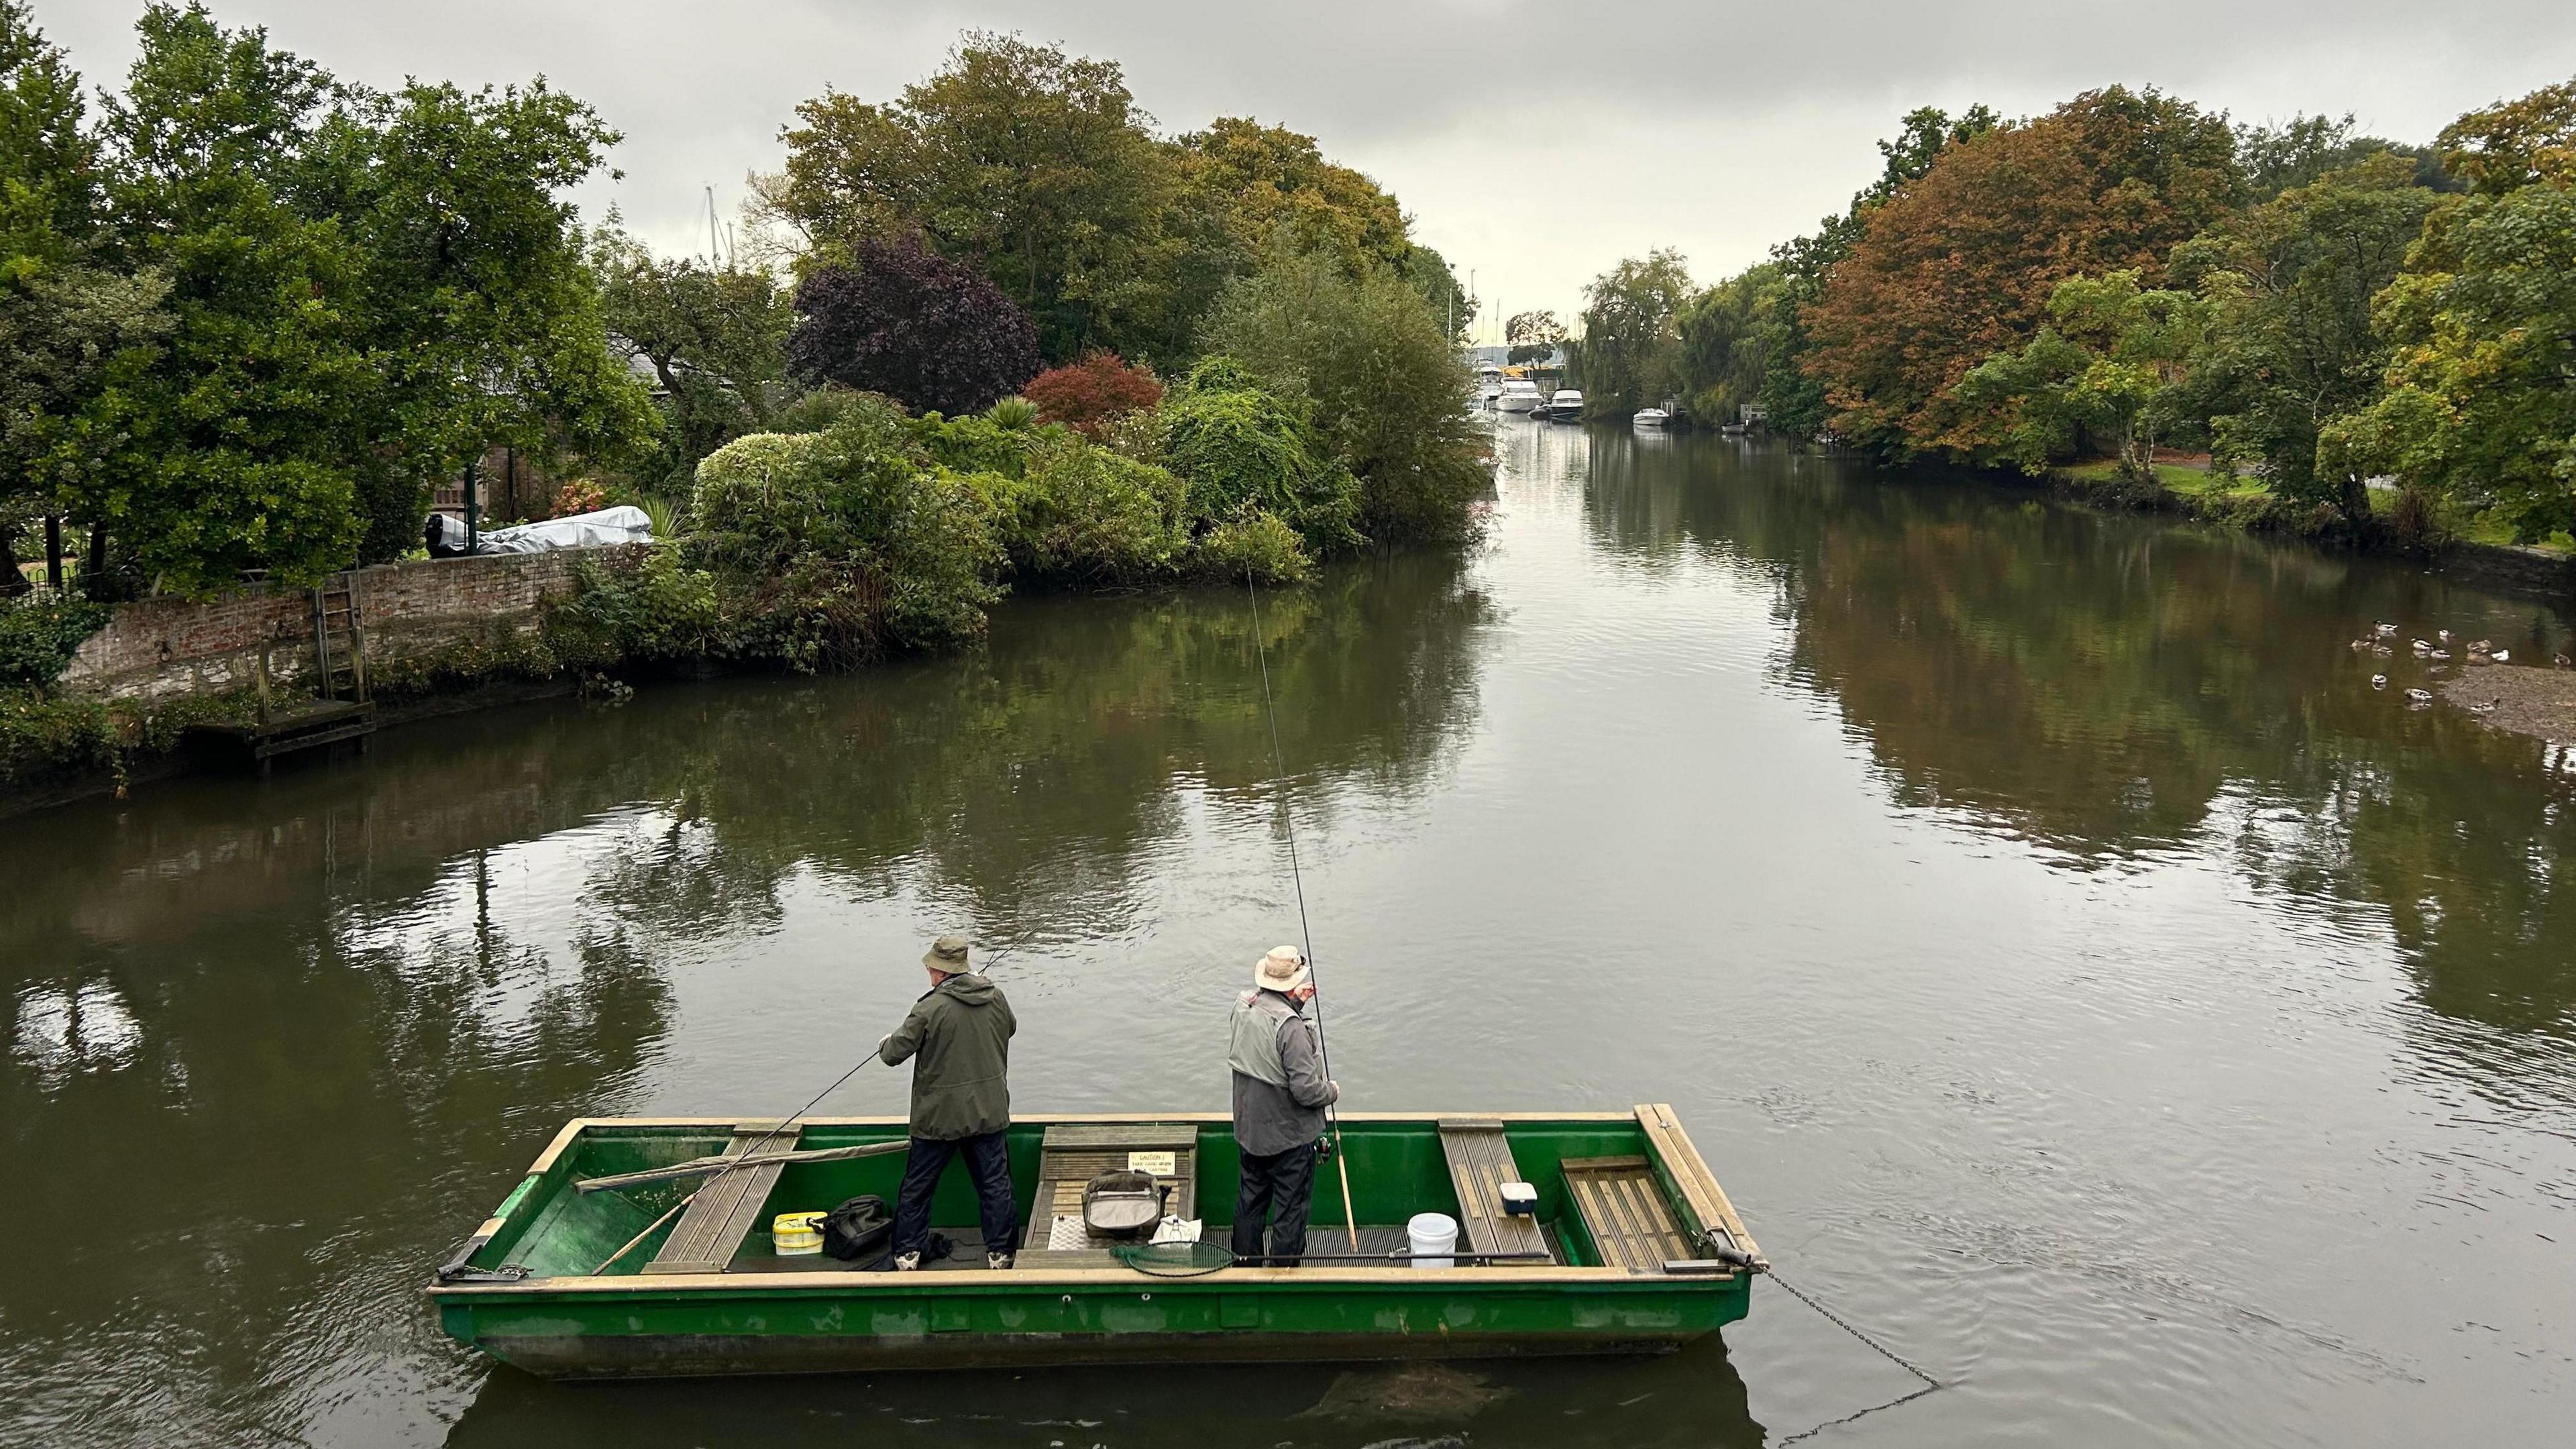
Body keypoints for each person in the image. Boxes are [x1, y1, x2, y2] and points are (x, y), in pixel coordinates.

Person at [877, 934, 1019, 1270]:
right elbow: (1010, 1029)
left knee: (918, 1187)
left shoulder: (928, 1008)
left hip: (938, 1119)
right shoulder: (995, 997)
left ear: (938, 971)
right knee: (995, 1185)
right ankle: (1001, 1255)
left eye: (930, 967)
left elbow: (892, 1055)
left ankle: (907, 1254)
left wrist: (886, 1041)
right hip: (989, 1113)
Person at [1228, 945, 1340, 1266]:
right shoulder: (1292, 1028)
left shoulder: (1243, 1006)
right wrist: (1331, 1091)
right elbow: (1306, 1091)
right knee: (1290, 1209)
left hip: (1250, 1131)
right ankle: (1282, 1275)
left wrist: (1294, 1003)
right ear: (1292, 983)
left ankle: (1245, 1268)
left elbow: (1266, 1037)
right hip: (1289, 1141)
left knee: (1250, 1202)